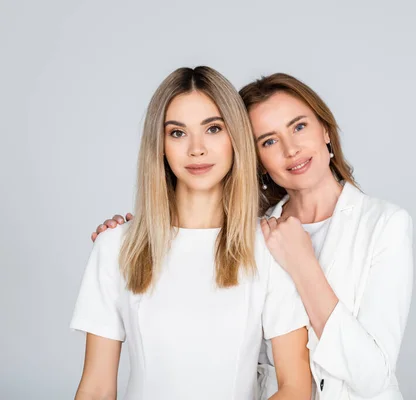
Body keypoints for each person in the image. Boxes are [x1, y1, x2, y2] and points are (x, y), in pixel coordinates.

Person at [94, 73, 414, 400]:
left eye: (299, 126)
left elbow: (374, 378)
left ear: (326, 131)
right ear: (255, 157)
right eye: (269, 141)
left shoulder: (385, 225)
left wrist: (303, 266)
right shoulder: (255, 235)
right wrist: (135, 237)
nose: (291, 149)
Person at [71, 67, 312, 400]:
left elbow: (296, 387)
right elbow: (96, 388)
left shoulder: (270, 247)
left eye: (213, 129)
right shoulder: (115, 246)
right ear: (161, 145)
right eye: (178, 133)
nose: (197, 149)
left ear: (235, 138)